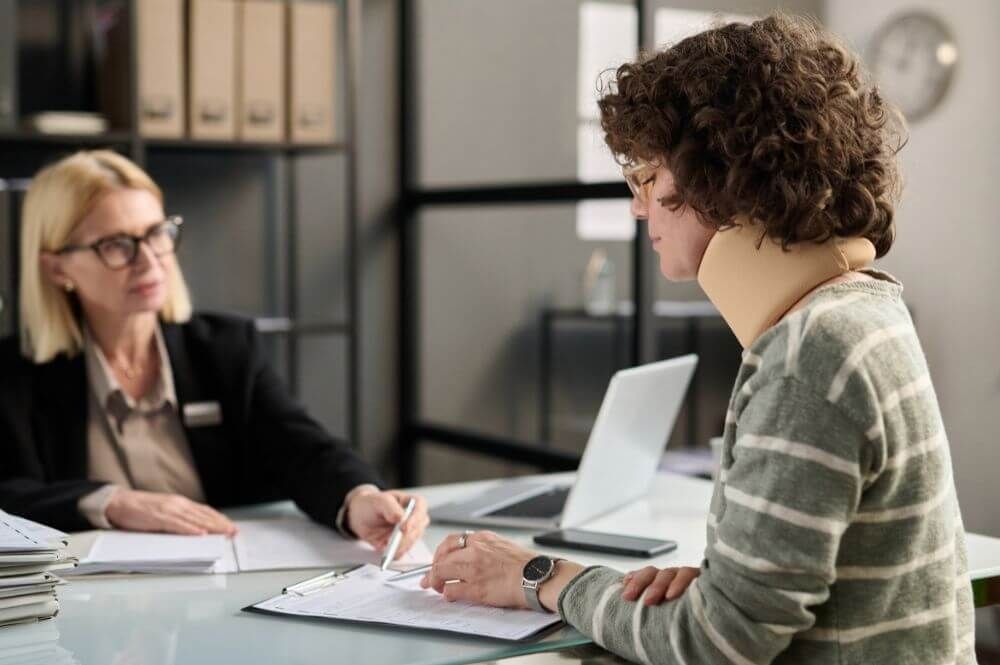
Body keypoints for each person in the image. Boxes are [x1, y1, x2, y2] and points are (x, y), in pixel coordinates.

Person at [420, 14, 975, 664]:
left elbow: (716, 646)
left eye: (649, 180)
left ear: (720, 179)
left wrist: (540, 578)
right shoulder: (866, 308)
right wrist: (725, 594)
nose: (638, 207)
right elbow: (752, 615)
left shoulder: (810, 353)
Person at [0, 150, 428, 560]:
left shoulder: (224, 348)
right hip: (81, 606)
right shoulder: (14, 374)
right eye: (116, 245)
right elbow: (9, 492)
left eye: (157, 234)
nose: (149, 261)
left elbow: (302, 449)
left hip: (217, 597)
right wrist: (110, 503)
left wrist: (360, 498)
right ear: (57, 269)